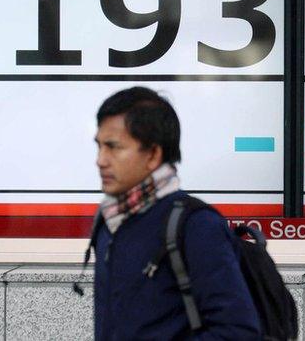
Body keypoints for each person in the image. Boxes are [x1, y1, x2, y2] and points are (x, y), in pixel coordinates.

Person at [93, 87, 260, 340]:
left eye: (113, 147)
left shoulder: (195, 225)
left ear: (152, 154)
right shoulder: (109, 222)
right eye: (99, 146)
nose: (101, 160)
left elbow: (238, 332)